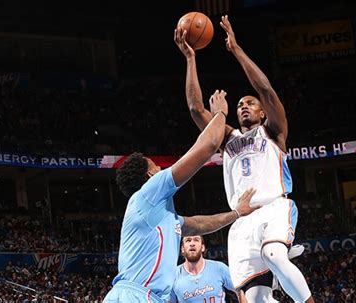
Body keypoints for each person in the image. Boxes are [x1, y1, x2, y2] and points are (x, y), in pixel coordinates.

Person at [175, 15, 313, 303]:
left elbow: (265, 89)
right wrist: (190, 58)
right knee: (257, 298)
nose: (244, 106)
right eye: (239, 104)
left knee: (272, 252)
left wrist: (236, 50)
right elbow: (194, 109)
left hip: (273, 207)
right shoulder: (227, 138)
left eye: (250, 103)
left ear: (262, 112)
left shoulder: (273, 132)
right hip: (240, 220)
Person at [103, 90, 260, 303]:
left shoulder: (160, 216)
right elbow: (207, 147)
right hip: (135, 296)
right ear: (149, 174)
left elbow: (197, 224)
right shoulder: (149, 191)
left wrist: (236, 213)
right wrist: (220, 115)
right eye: (157, 166)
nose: (160, 168)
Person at [169, 235, 236, 303]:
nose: (192, 244)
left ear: (203, 247)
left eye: (196, 240)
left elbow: (240, 290)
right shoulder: (173, 276)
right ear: (182, 249)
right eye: (188, 240)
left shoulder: (219, 268)